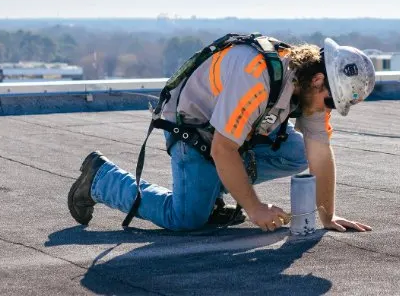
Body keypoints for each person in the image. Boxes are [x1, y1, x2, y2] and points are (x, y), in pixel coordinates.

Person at [67, 36, 376, 233]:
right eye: (331, 102)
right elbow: (223, 149)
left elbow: (319, 151)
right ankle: (101, 179)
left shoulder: (307, 84)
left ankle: (211, 190)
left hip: (229, 132)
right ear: (319, 80)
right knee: (186, 218)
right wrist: (255, 208)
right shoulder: (257, 78)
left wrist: (327, 216)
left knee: (297, 152)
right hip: (192, 129)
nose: (328, 110)